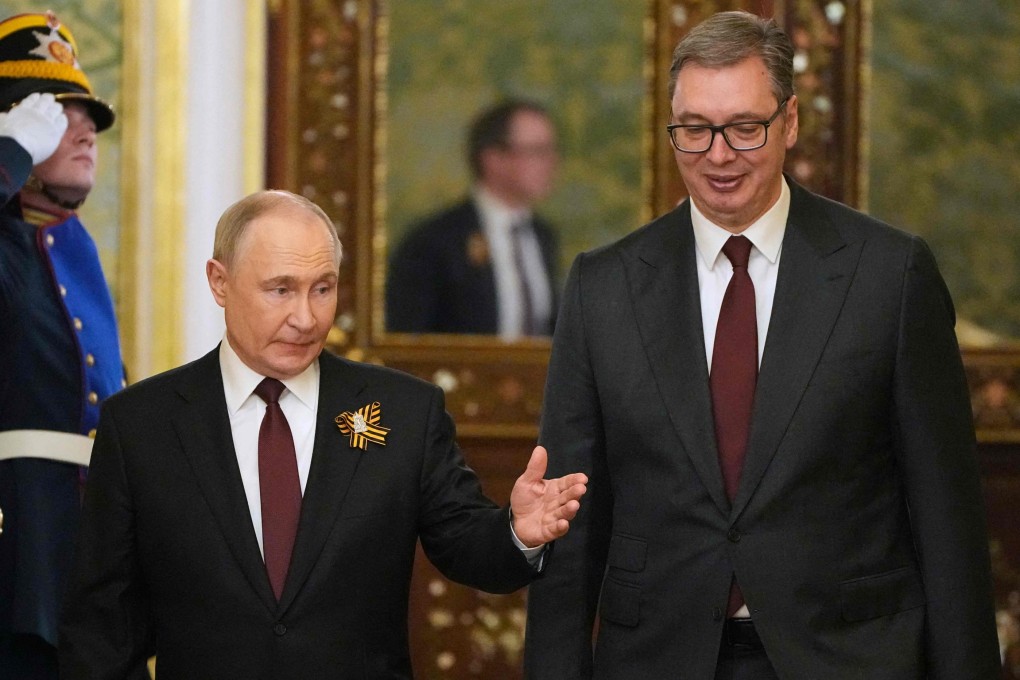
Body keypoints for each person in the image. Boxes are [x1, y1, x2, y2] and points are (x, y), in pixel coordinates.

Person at [524, 10, 999, 680]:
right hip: (656, 658)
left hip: (850, 657)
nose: (718, 154)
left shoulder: (889, 275)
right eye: (695, 130)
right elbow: (567, 522)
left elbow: (947, 520)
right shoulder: (605, 287)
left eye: (745, 128)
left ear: (791, 121)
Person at [59, 189, 588, 679]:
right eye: (280, 290)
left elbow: (467, 546)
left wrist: (517, 531)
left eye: (323, 289)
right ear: (220, 282)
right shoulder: (141, 424)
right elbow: (103, 624)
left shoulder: (403, 411)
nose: (306, 317)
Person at [0, 12, 128, 680]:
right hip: (15, 540)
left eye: (87, 116)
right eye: (53, 112)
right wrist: (4, 158)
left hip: (84, 540)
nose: (83, 130)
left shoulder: (73, 245)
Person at [386, 99, 560, 339]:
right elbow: (408, 338)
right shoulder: (435, 242)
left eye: (551, 150)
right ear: (493, 159)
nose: (550, 163)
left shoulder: (542, 235)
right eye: (537, 151)